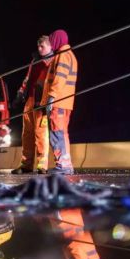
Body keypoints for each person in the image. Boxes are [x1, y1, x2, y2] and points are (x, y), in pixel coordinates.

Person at [12, 35, 52, 174]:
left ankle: (42, 165)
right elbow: (27, 79)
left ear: (50, 46)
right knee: (27, 134)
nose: (40, 49)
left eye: (43, 47)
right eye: (38, 46)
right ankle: (26, 165)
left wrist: (49, 102)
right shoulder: (35, 60)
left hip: (41, 102)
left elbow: (53, 83)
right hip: (30, 100)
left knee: (41, 133)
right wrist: (20, 94)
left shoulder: (53, 61)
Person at [41, 29, 78, 174]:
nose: (51, 42)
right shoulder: (70, 55)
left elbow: (59, 78)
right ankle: (66, 163)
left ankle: (63, 165)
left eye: (52, 40)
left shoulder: (62, 56)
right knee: (62, 133)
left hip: (58, 102)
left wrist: (51, 97)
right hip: (65, 102)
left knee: (57, 133)